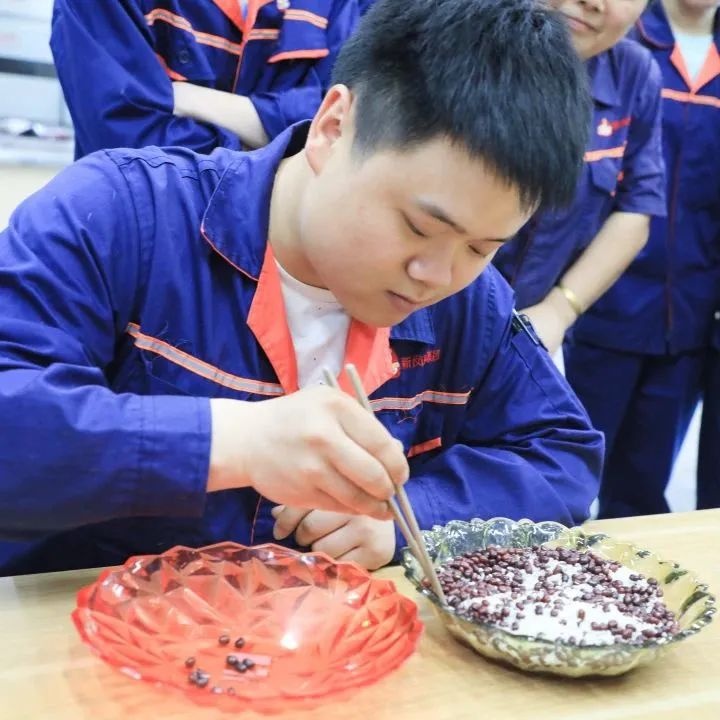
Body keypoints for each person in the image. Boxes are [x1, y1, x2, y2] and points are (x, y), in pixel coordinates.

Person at [0, 0, 602, 577]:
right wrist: (231, 441)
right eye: (419, 227)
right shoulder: (121, 216)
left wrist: (409, 519)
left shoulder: (471, 303)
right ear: (334, 128)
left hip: (329, 637)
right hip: (90, 635)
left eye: (481, 248)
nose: (436, 276)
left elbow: (562, 456)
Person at [565, 0, 720, 518]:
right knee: (568, 474)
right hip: (600, 306)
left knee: (642, 489)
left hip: (689, 322)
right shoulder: (618, 39)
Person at [493, 0, 666, 355]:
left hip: (532, 336)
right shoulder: (453, 41)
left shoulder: (634, 75)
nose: (592, 3)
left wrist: (560, 309)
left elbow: (636, 207)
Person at [50, 0, 361, 157]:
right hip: (138, 240)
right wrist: (281, 143)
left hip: (283, 254)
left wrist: (194, 100)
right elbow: (127, 141)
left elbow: (357, 125)